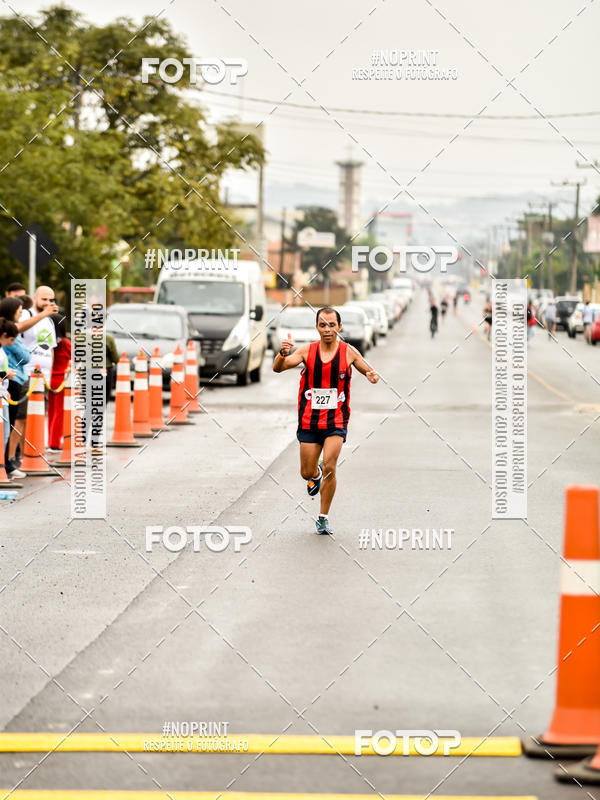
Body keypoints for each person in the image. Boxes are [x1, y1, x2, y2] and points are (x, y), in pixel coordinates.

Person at [273, 306, 379, 535]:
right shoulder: (306, 351)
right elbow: (278, 368)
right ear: (317, 328)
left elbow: (367, 369)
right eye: (323, 325)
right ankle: (316, 475)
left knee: (331, 465)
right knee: (306, 472)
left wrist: (371, 375)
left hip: (336, 421)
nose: (328, 329)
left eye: (332, 325)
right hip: (309, 421)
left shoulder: (348, 352)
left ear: (339, 327)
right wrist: (282, 354)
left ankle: (323, 518)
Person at [0, 297, 30, 477]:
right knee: (6, 428)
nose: (12, 343)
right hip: (8, 387)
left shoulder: (4, 344)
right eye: (19, 312)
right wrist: (4, 374)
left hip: (6, 390)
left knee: (7, 428)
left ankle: (5, 464)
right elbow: (25, 356)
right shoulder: (7, 336)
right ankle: (5, 464)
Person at [20, 286, 58, 384]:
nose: (48, 303)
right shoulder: (26, 313)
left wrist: (50, 375)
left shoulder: (49, 321)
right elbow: (18, 328)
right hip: (27, 374)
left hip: (45, 377)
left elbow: (51, 349)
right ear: (35, 298)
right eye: (44, 299)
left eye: (51, 300)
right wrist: (44, 314)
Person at [47, 315, 71, 452]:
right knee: (59, 413)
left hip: (50, 379)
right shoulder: (65, 343)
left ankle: (51, 440)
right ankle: (55, 443)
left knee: (51, 411)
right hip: (62, 380)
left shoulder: (47, 342)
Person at [0, 319, 18, 466]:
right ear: (4, 335)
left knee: (5, 434)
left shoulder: (2, 349)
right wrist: (5, 374)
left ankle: (2, 467)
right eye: (11, 339)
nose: (11, 343)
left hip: (3, 396)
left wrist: (5, 389)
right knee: (3, 434)